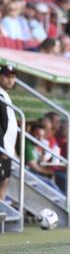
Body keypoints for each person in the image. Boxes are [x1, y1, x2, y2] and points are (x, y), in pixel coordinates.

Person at [0, 65, 18, 200]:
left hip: (8, 148)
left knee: (5, 180)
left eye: (13, 77)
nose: (10, 80)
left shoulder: (4, 94)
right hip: (3, 148)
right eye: (7, 76)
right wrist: (2, 149)